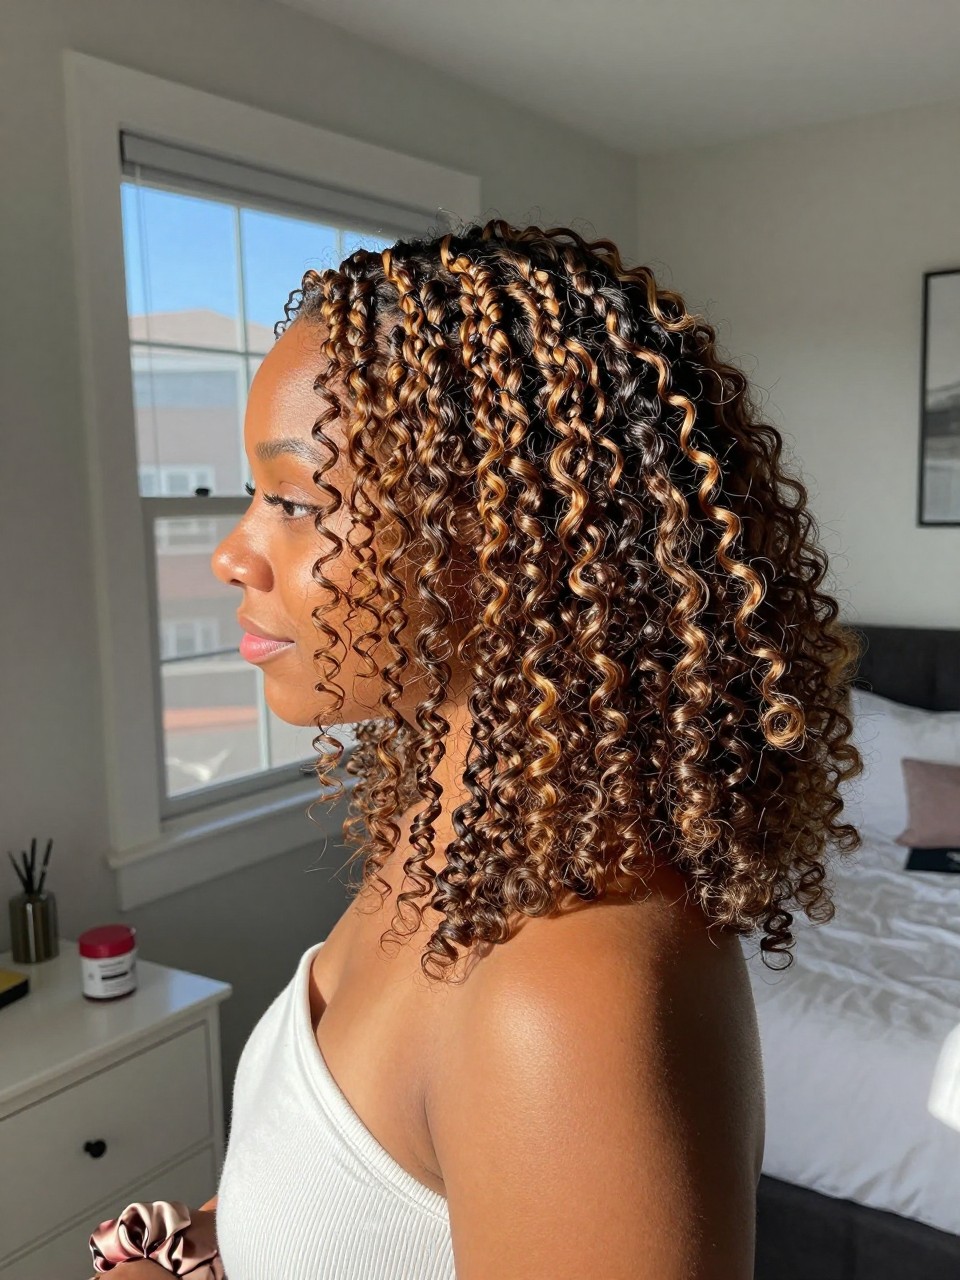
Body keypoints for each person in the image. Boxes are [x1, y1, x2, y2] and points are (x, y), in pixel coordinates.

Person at [89, 218, 864, 1279]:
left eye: (295, 501)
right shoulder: (458, 828)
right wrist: (230, 1236)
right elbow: (379, 1198)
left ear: (499, 546)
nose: (232, 552)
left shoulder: (569, 999)